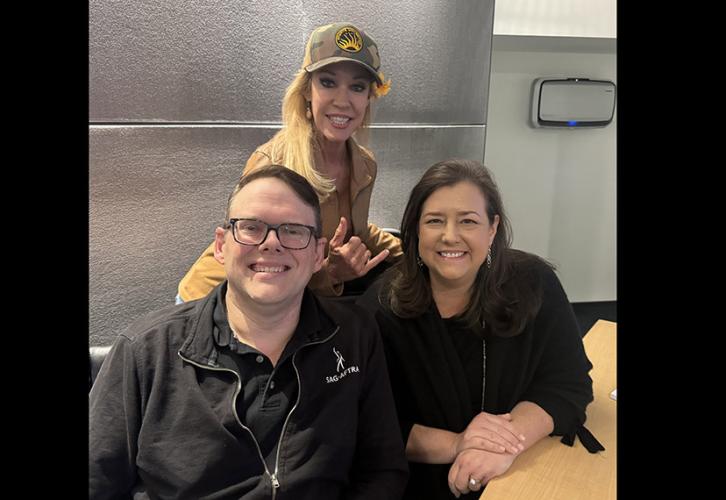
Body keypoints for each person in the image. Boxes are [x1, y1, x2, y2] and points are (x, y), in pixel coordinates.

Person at [90, 165, 408, 499]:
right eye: (251, 228)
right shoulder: (146, 351)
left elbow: (382, 469)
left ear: (318, 254)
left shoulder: (354, 336)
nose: (271, 244)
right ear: (221, 246)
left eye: (294, 231)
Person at [358, 159, 600, 499]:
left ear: (492, 227)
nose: (450, 235)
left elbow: (567, 384)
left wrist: (500, 446)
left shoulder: (533, 284)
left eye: (468, 221)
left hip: (518, 469)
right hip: (419, 484)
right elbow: (369, 426)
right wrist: (460, 445)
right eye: (434, 221)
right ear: (415, 230)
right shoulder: (379, 310)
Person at [177, 22, 402, 302]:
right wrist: (330, 274)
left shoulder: (364, 166)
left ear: (369, 97)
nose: (343, 101)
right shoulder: (274, 164)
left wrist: (418, 252)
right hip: (218, 301)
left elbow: (360, 227)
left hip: (282, 301)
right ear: (307, 90)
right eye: (328, 82)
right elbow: (257, 258)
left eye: (357, 87)